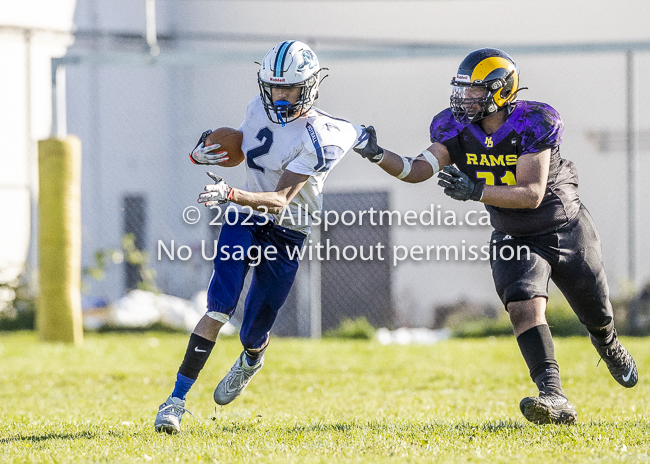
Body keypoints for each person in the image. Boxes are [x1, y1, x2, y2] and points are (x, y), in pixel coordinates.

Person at [353, 48, 637, 425]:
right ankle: (553, 395)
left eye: (474, 91)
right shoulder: (452, 126)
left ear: (501, 91)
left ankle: (608, 343)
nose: (465, 98)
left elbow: (532, 193)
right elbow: (419, 168)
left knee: (597, 315)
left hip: (564, 226)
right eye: (462, 90)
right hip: (513, 233)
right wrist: (377, 154)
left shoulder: (535, 121)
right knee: (522, 305)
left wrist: (476, 191)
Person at [155, 40, 364, 434]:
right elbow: (244, 149)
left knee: (254, 331)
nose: (280, 96)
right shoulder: (256, 107)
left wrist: (231, 192)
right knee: (218, 307)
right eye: (274, 87)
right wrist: (208, 151)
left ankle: (252, 357)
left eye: (290, 88)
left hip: (287, 228)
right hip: (245, 216)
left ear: (311, 87)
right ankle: (175, 401)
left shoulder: (319, 134)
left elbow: (281, 200)